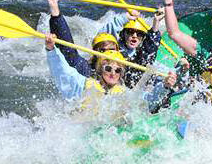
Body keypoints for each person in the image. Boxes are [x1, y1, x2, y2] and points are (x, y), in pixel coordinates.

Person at [44, 32, 177, 113]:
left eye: (118, 70)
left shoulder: (125, 93)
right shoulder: (83, 84)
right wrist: (51, 50)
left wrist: (165, 86)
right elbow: (61, 71)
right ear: (101, 69)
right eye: (108, 69)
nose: (113, 73)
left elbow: (150, 99)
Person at [97, 8, 164, 87]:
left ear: (142, 38)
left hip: (126, 84)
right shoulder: (114, 46)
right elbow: (102, 36)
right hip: (107, 79)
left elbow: (150, 49)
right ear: (123, 34)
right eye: (130, 32)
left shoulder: (140, 55)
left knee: (147, 61)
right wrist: (125, 18)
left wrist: (156, 23)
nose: (134, 36)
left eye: (139, 34)